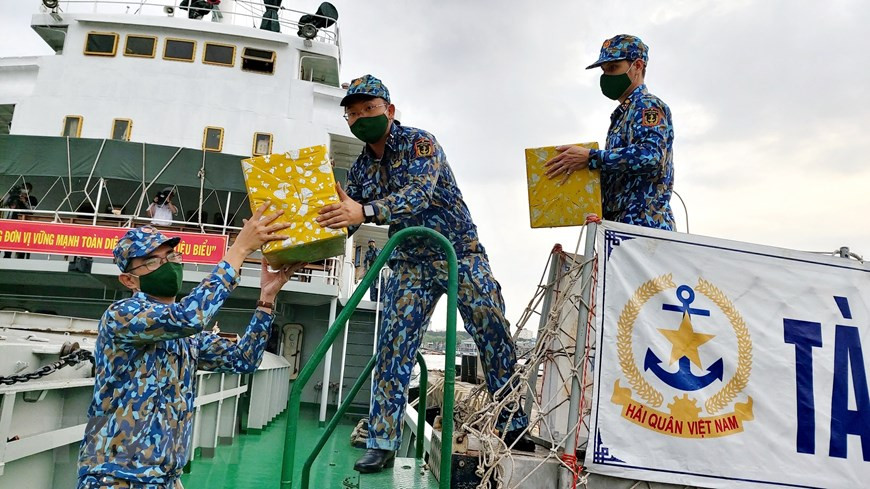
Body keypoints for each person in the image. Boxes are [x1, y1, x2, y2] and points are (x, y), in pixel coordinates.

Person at [317, 74, 534, 474]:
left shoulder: (420, 143)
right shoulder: (362, 168)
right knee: (392, 345)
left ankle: (514, 422)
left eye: (370, 109)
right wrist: (309, 235)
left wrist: (363, 212)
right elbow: (347, 216)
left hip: (459, 252)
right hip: (410, 263)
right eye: (354, 112)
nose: (362, 117)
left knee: (491, 326)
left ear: (389, 110)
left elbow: (418, 194)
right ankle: (382, 441)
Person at [77, 201, 304, 489]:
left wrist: (266, 301)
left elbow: (244, 359)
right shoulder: (122, 316)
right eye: (152, 261)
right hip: (115, 478)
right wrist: (239, 250)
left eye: (171, 255)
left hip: (165, 480)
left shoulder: (186, 336)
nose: (167, 264)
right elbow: (190, 317)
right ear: (128, 279)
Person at [544, 34, 675, 230]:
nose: (607, 76)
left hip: (644, 225)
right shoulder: (623, 115)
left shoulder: (647, 106)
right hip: (619, 228)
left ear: (637, 66)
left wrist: (591, 158)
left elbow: (651, 156)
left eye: (613, 68)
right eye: (604, 71)